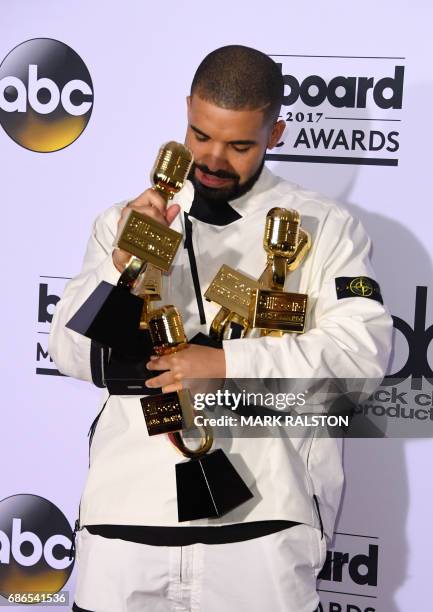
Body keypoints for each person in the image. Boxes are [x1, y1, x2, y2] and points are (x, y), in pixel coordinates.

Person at [49, 45, 393, 612]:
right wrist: (124, 263)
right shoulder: (127, 220)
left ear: (275, 133)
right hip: (125, 523)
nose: (212, 159)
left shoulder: (325, 228)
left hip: (262, 525)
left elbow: (360, 360)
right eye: (200, 135)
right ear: (186, 110)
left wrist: (227, 364)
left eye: (239, 145)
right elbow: (69, 352)